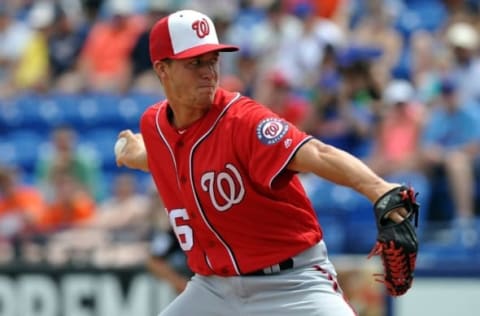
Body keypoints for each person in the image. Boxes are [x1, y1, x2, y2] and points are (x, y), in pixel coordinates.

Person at [115, 9, 411, 316]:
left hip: (292, 283)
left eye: (212, 60)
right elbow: (171, 154)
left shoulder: (244, 121)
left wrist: (378, 188)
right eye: (195, 63)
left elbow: (318, 154)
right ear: (162, 69)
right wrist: (135, 153)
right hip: (214, 289)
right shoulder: (155, 126)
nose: (208, 71)